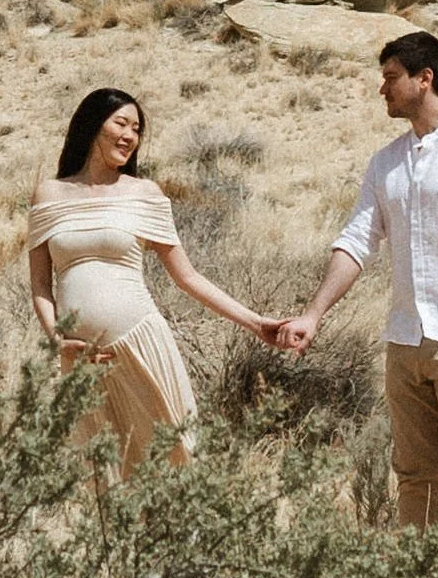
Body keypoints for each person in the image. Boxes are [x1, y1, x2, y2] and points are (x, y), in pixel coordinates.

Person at [272, 31, 438, 554]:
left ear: (423, 79)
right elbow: (356, 241)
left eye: (390, 78)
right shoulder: (385, 162)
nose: (381, 90)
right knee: (412, 475)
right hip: (404, 342)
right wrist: (313, 315)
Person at [27, 86, 277, 474]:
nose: (130, 136)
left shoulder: (144, 194)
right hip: (82, 359)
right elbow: (41, 284)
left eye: (137, 129)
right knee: (103, 476)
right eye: (121, 123)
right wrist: (57, 339)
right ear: (93, 125)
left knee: (169, 463)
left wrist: (256, 323)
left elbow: (188, 276)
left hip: (142, 345)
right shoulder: (48, 195)